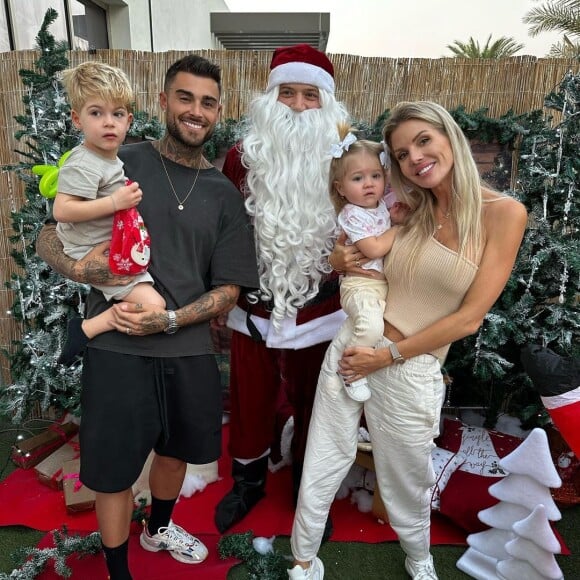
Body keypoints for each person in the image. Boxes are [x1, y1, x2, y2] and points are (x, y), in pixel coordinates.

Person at [36, 55, 258, 580]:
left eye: (207, 102)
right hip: (117, 348)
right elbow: (51, 231)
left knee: (177, 453)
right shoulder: (118, 161)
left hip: (187, 348)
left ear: (218, 111)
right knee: (112, 470)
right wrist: (80, 266)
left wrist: (173, 320)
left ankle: (158, 527)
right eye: (185, 97)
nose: (195, 111)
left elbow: (229, 287)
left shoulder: (224, 195)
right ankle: (118, 569)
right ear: (162, 102)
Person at [288, 100, 527, 580]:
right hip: (353, 350)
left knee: (407, 479)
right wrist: (339, 258)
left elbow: (468, 319)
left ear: (449, 137)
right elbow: (356, 240)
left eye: (422, 141)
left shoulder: (504, 214)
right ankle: (302, 560)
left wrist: (386, 356)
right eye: (400, 153)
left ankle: (419, 561)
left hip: (407, 366)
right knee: (323, 454)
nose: (413, 158)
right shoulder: (407, 207)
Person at [214, 43, 351, 533]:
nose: (296, 105)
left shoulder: (348, 155)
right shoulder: (241, 157)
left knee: (321, 401)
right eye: (287, 93)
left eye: (309, 95)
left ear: (327, 102)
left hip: (322, 310)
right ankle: (247, 483)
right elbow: (225, 230)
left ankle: (308, 491)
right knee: (249, 400)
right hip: (254, 307)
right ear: (269, 99)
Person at [53, 61, 165, 365]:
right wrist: (116, 203)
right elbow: (62, 210)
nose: (108, 123)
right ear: (77, 119)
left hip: (105, 242)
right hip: (90, 249)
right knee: (154, 308)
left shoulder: (106, 157)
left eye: (116, 114)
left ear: (128, 120)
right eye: (96, 113)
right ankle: (90, 327)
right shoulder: (84, 162)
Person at [328, 124, 401, 401]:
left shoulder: (381, 206)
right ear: (341, 188)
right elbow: (374, 248)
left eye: (375, 176)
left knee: (381, 329)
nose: (369, 183)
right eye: (358, 178)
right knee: (370, 326)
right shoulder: (351, 214)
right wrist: (399, 228)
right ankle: (351, 371)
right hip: (359, 286)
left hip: (379, 286)